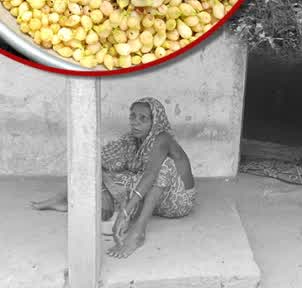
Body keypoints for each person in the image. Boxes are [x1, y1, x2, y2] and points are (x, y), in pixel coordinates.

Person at [32, 97, 196, 259]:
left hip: (178, 202)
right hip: (155, 200)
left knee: (164, 167)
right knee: (104, 168)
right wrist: (103, 189)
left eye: (143, 118)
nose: (135, 122)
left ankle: (138, 231)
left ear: (155, 122)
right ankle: (63, 199)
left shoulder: (162, 138)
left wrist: (125, 212)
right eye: (132, 116)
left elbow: (150, 175)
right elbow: (97, 159)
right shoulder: (132, 139)